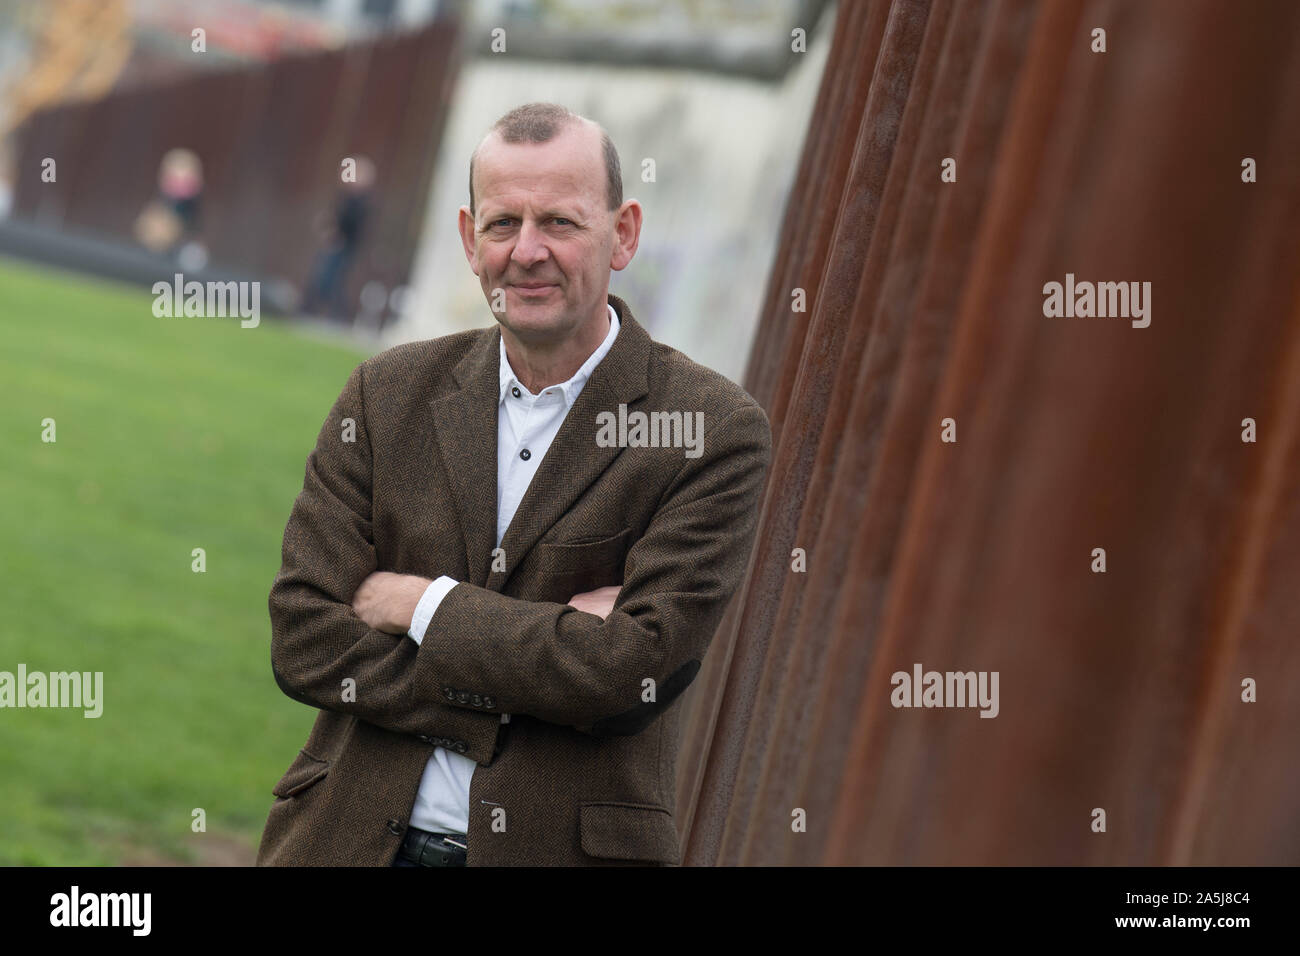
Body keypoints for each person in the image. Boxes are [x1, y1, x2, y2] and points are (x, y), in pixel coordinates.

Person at [256, 103, 772, 867]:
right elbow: (305, 639)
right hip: (343, 842)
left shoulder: (707, 428)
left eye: (559, 223)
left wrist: (420, 605)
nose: (527, 252)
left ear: (623, 233)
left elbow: (629, 672)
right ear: (470, 240)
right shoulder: (386, 394)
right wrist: (552, 658)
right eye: (503, 225)